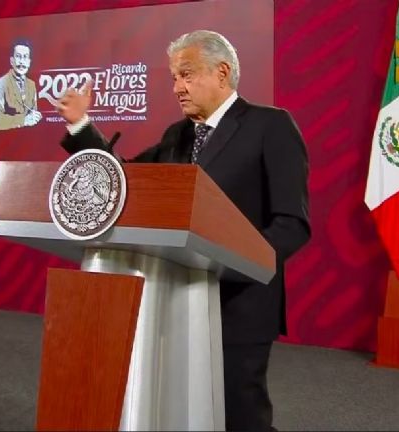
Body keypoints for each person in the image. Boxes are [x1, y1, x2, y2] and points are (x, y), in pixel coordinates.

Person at [55, 30, 310, 430]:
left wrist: (232, 263)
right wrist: (81, 126)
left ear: (221, 72)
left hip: (239, 302)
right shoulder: (177, 135)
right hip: (176, 293)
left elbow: (291, 223)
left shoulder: (270, 125)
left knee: (238, 413)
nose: (177, 88)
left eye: (186, 75)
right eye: (174, 77)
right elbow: (123, 183)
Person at [0, 39, 41, 130]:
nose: (22, 62)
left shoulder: (32, 85)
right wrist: (23, 120)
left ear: (29, 62)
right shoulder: (1, 84)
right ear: (11, 61)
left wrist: (36, 117)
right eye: (18, 56)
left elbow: (33, 115)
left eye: (25, 57)